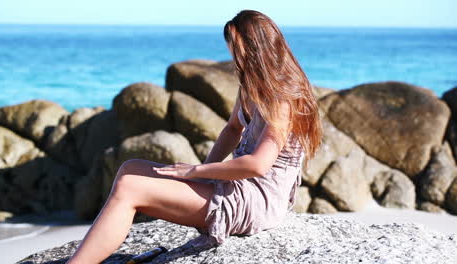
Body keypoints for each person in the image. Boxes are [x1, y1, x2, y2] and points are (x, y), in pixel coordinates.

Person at [66, 9, 322, 264]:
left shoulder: (281, 100)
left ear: (255, 48)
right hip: (238, 186)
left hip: (257, 200)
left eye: (235, 47)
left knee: (130, 187)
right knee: (130, 168)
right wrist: (209, 174)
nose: (232, 55)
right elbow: (233, 128)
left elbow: (257, 165)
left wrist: (196, 171)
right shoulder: (251, 86)